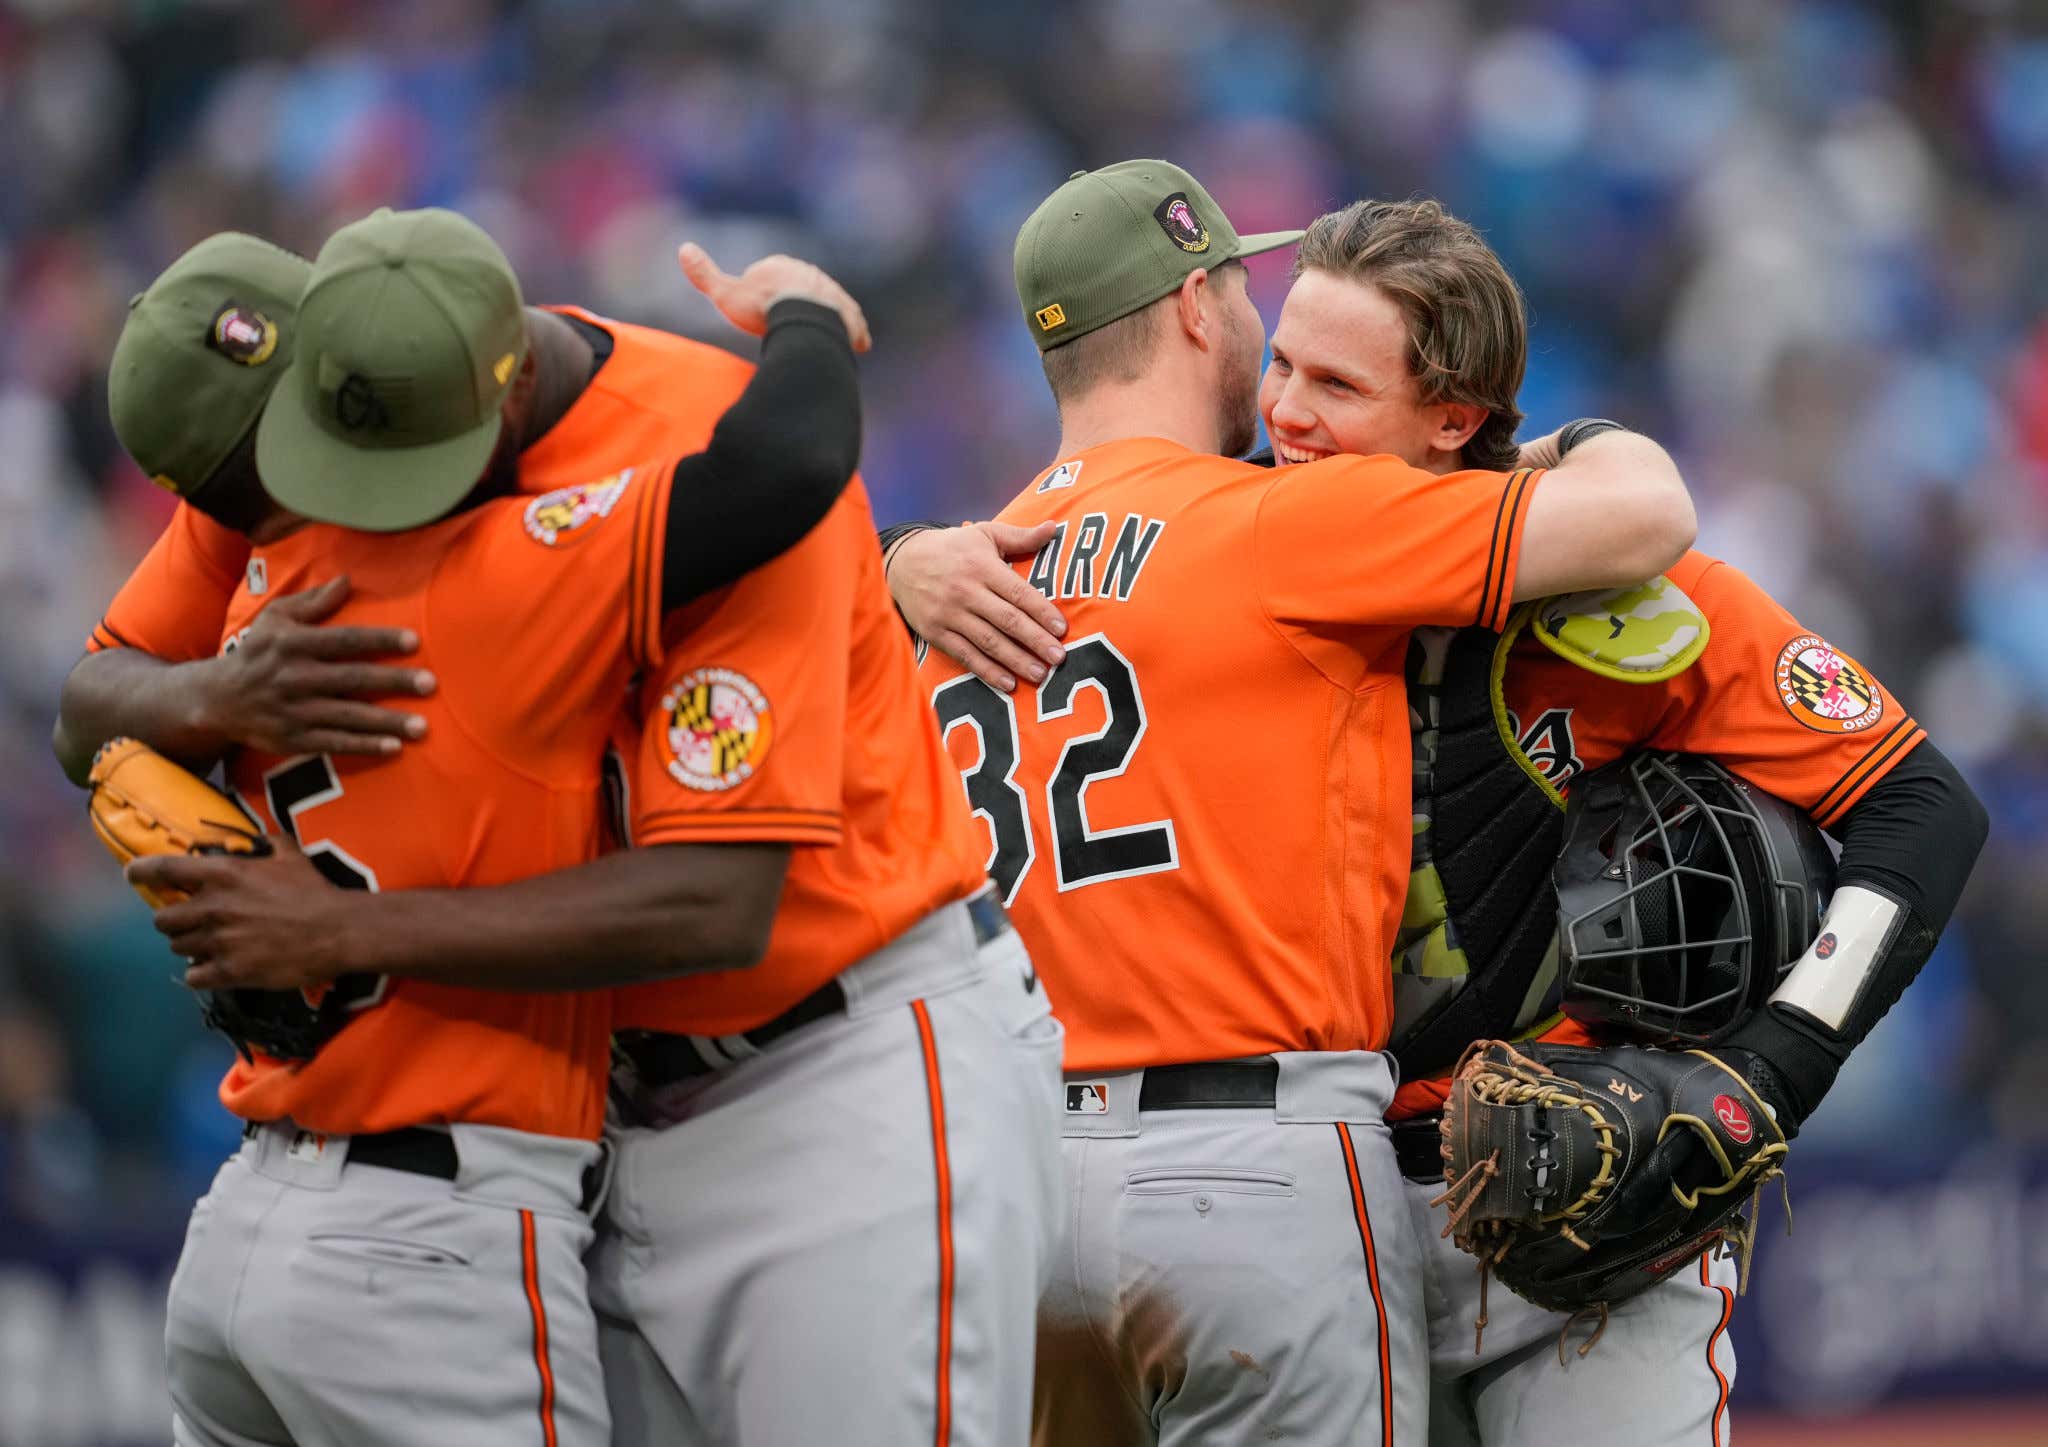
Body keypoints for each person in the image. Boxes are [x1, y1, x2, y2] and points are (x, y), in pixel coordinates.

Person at [896, 196, 1988, 1447]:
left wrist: (1769, 1073)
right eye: (1285, 364)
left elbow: (1919, 803)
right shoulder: (1226, 536)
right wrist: (903, 553)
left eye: (1337, 386)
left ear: (1451, 418)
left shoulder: (1637, 595)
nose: (1286, 411)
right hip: (1318, 1199)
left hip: (1590, 1200)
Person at [112, 212, 1061, 1447]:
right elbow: (104, 687)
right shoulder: (346, 417)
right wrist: (210, 695)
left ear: (493, 407)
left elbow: (720, 900)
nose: (355, 509)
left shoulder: (685, 459)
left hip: (831, 1074)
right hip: (587, 1129)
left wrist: (343, 926)